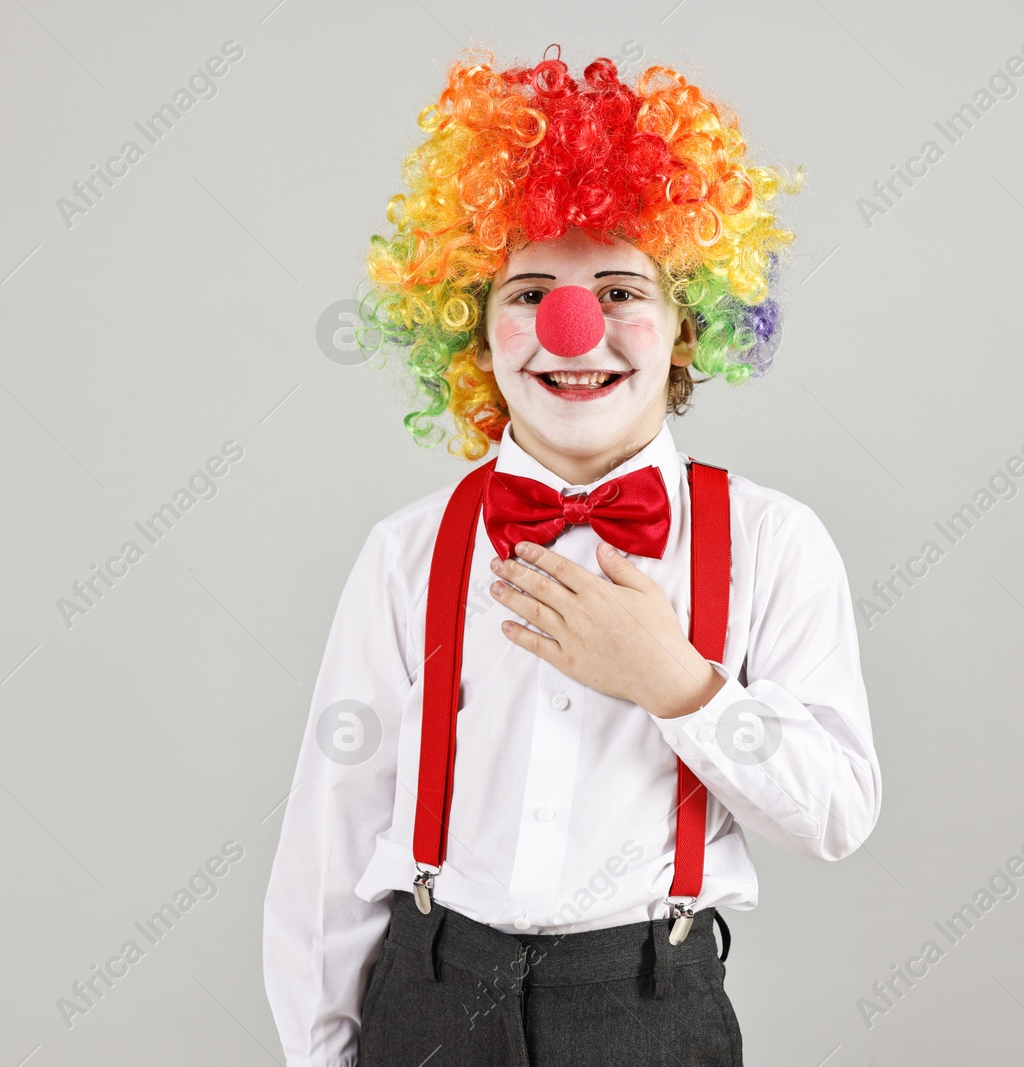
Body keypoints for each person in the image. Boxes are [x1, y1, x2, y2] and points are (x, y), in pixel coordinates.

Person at [263, 45, 881, 1067]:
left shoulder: (774, 541)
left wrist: (679, 684)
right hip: (429, 1000)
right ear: (471, 324)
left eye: (622, 290)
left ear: (688, 324)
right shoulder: (407, 552)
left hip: (649, 1008)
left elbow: (837, 808)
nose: (573, 325)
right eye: (529, 291)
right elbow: (328, 840)